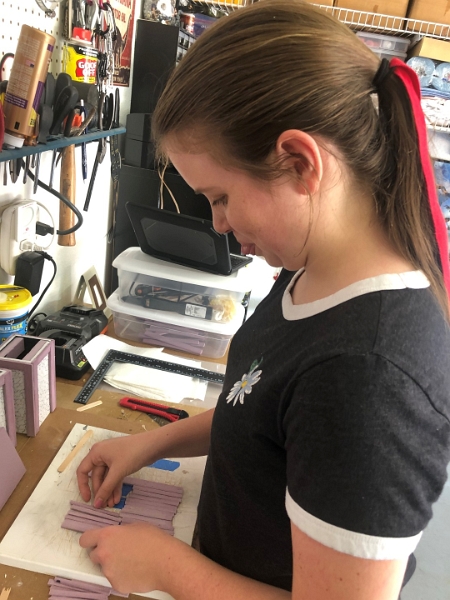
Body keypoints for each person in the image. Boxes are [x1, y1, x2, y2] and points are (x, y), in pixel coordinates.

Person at [76, 1, 450, 598]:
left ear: (299, 163)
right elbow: (259, 408)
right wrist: (153, 442)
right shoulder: (311, 268)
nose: (218, 224)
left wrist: (168, 568)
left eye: (220, 197)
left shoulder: (370, 376)